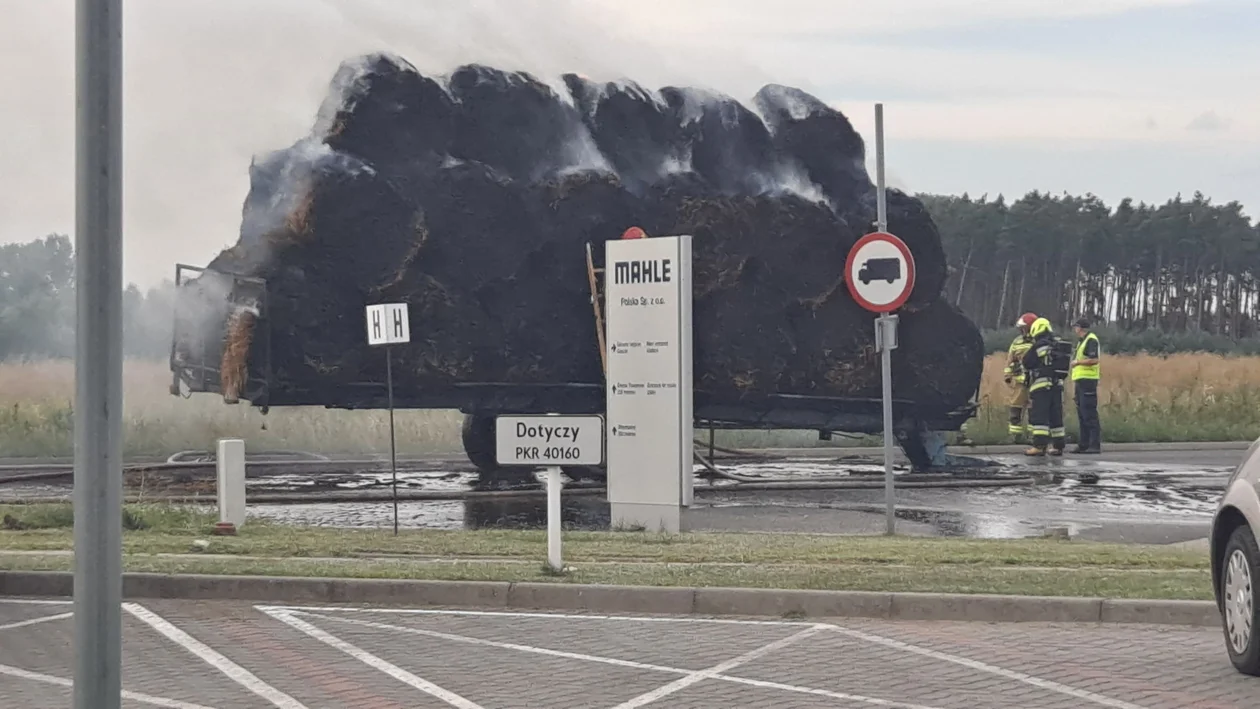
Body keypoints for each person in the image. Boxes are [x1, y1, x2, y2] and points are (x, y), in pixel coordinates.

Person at [1021, 317, 1069, 457]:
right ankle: (1058, 446)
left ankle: (1039, 446)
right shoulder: (1058, 344)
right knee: (1056, 416)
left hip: (1041, 386)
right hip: (1057, 385)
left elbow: (1027, 362)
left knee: (1040, 416)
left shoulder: (1039, 344)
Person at [1003, 313, 1038, 443]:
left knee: (1034, 409)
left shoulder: (1039, 341)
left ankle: (1032, 436)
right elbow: (1010, 359)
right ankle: (1015, 436)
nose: (1022, 330)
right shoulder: (1017, 341)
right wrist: (1008, 375)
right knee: (1015, 407)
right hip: (1020, 382)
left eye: (1024, 327)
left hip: (1035, 381)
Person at [1071, 317, 1102, 454]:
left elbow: (1094, 359)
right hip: (1080, 380)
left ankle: (1094, 444)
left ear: (1080, 328)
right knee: (1082, 413)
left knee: (1089, 413)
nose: (1074, 329)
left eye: (1076, 327)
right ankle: (1083, 444)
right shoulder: (1082, 341)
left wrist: (1077, 363)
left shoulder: (1091, 340)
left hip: (1088, 380)